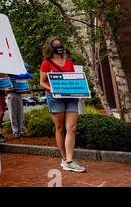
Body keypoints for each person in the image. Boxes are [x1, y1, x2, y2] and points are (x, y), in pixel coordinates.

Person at [40, 36, 86, 173]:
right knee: (60, 128)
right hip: (55, 98)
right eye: (56, 45)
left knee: (71, 127)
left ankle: (70, 161)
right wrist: (52, 89)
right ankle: (64, 158)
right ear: (50, 48)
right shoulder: (46, 63)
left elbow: (72, 80)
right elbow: (42, 82)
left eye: (60, 44)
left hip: (71, 98)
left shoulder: (69, 62)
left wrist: (81, 90)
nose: (59, 47)